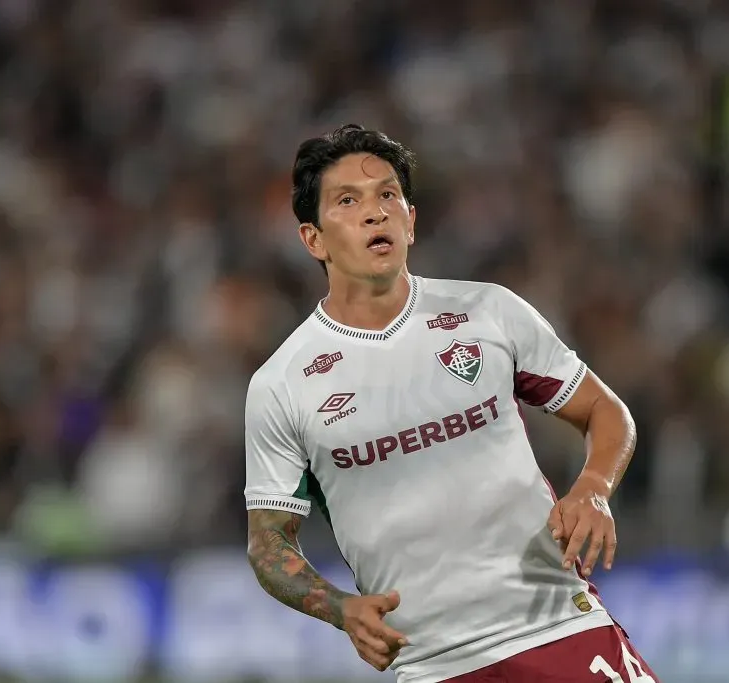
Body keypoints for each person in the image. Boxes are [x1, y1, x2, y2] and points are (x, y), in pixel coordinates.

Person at [243, 124, 659, 682]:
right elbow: (268, 542)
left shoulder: (488, 313)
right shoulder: (283, 384)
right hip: (436, 665)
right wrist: (339, 607)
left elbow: (606, 412)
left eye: (388, 195)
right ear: (313, 239)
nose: (375, 212)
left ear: (411, 220)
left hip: (559, 627)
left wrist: (593, 489)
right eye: (348, 201)